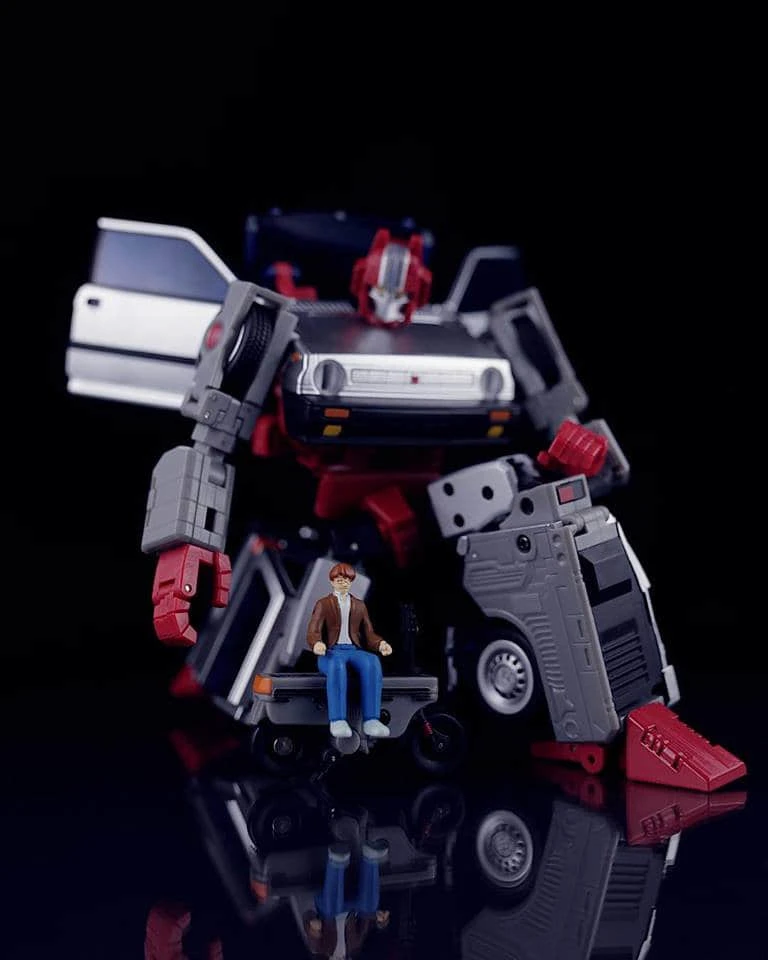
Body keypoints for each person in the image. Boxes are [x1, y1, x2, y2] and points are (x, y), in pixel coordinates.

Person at [307, 563, 393, 738]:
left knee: (372, 662)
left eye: (347, 580)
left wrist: (380, 644)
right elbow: (313, 629)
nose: (343, 583)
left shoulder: (359, 605)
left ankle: (371, 720)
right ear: (332, 582)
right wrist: (317, 643)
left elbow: (369, 633)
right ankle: (337, 720)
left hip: (353, 649)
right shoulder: (324, 604)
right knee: (337, 665)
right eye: (339, 580)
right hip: (331, 651)